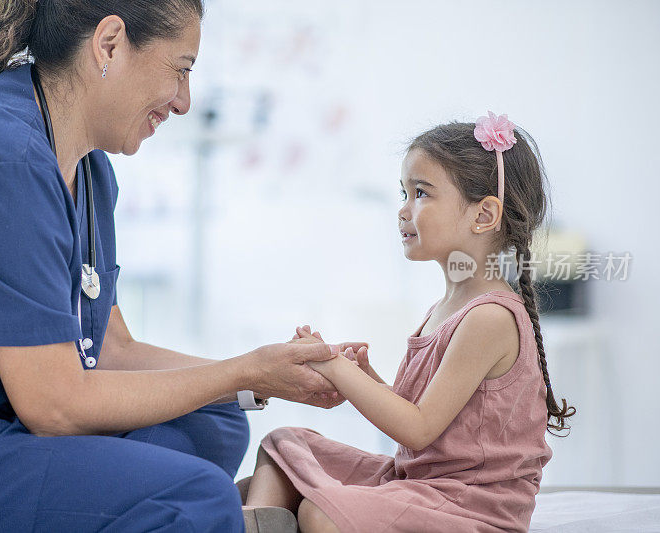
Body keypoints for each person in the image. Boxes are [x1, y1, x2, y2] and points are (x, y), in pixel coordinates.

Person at [0, 1, 368, 530]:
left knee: (215, 418)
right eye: (181, 69)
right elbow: (54, 404)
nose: (184, 102)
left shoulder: (88, 171)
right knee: (197, 496)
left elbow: (110, 349)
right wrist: (243, 370)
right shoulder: (1, 158)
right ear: (109, 43)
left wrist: (263, 373)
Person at [241, 114, 576, 532]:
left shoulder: (489, 318)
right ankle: (254, 524)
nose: (403, 209)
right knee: (282, 445)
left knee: (319, 510)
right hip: (419, 484)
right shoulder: (446, 307)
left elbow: (417, 431)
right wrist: (368, 378)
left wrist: (336, 368)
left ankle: (256, 521)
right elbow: (422, 419)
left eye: (421, 193)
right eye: (404, 192)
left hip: (467, 504)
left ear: (484, 215)